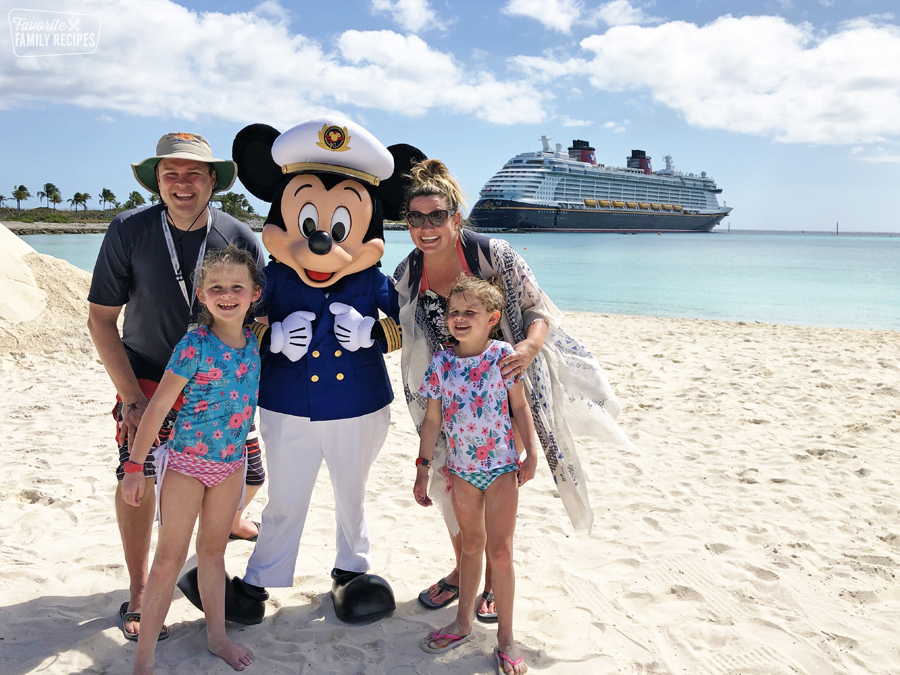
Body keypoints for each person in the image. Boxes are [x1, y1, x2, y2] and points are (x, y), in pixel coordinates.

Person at [392, 159, 633, 622]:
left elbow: (538, 309)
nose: (427, 226)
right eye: (416, 218)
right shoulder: (408, 272)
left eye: (437, 216)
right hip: (444, 396)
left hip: (505, 391)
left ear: (455, 218)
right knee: (448, 484)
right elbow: (388, 318)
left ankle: (490, 583)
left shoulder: (492, 255)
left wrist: (525, 347)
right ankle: (465, 572)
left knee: (497, 484)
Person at [88, 133, 267, 641]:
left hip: (216, 383)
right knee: (137, 478)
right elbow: (101, 319)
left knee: (245, 471)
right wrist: (131, 397)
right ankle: (140, 590)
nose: (182, 183)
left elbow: (260, 318)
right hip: (147, 372)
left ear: (214, 181)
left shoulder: (238, 235)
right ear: (157, 181)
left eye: (194, 174)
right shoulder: (129, 229)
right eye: (171, 174)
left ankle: (223, 527)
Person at [121, 245, 261, 674]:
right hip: (185, 464)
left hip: (231, 464)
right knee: (169, 559)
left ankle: (217, 637)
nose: (227, 294)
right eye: (216, 287)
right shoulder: (194, 343)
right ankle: (144, 659)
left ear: (254, 293)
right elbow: (159, 406)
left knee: (214, 553)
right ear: (202, 295)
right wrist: (134, 466)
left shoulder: (254, 340)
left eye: (237, 287)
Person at [415, 276, 537, 674]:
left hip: (502, 469)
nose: (460, 318)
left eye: (471, 312)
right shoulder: (442, 363)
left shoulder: (503, 356)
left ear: (492, 318)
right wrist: (422, 467)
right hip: (462, 472)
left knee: (500, 552)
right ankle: (462, 623)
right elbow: (432, 420)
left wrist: (532, 453)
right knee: (470, 546)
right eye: (454, 312)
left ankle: (505, 638)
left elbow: (520, 409)